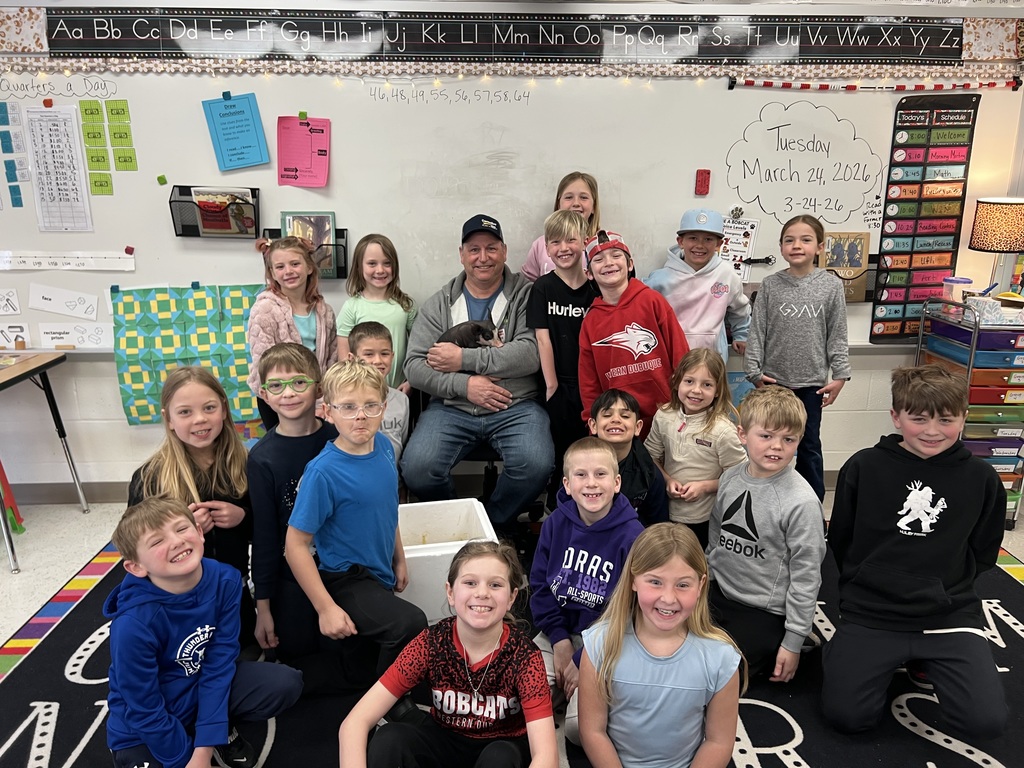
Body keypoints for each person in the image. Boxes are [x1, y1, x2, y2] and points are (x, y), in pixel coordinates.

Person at [822, 364, 1007, 740]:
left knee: (985, 723)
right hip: (872, 612)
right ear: (896, 416)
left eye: (946, 419)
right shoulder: (863, 466)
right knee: (847, 717)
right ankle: (849, 652)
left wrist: (943, 585)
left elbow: (984, 550)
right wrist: (867, 582)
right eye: (918, 419)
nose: (932, 431)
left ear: (964, 417)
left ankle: (923, 658)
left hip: (948, 614)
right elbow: (841, 539)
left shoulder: (983, 478)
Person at [105, 498, 302, 768]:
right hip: (144, 723)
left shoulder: (226, 580)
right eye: (157, 541)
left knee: (284, 683)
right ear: (136, 567)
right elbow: (143, 706)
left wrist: (205, 744)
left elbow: (219, 664)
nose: (176, 541)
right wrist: (185, 758)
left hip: (199, 689)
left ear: (199, 532)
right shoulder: (132, 624)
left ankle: (214, 728)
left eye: (181, 529)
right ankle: (193, 733)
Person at [339, 540, 559, 768]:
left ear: (511, 598)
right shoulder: (430, 643)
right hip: (444, 739)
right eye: (470, 583)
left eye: (495, 585)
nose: (482, 593)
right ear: (451, 592)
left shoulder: (525, 657)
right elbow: (355, 723)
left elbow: (546, 755)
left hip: (502, 746)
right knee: (390, 739)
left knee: (500, 757)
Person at [284, 359, 427, 701]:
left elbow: (387, 508)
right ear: (328, 412)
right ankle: (385, 707)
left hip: (379, 571)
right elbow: (295, 546)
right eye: (348, 407)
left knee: (362, 667)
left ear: (384, 408)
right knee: (409, 623)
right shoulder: (322, 473)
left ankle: (366, 684)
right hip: (345, 578)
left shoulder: (384, 447)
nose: (360, 416)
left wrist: (399, 557)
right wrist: (325, 608)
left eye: (370, 406)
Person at [402, 214, 553, 535]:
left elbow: (529, 354)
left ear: (505, 251)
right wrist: (465, 385)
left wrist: (462, 359)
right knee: (417, 470)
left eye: (491, 248)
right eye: (474, 249)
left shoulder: (528, 295)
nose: (483, 257)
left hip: (516, 405)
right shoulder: (440, 304)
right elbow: (414, 366)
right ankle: (459, 525)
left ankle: (490, 527)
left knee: (536, 465)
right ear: (461, 254)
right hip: (452, 407)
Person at [247, 343, 377, 694]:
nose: (288, 393)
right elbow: (265, 538)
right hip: (291, 576)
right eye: (276, 385)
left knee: (353, 651)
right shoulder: (262, 459)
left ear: (319, 388)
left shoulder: (341, 437)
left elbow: (370, 505)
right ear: (264, 394)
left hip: (344, 571)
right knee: (296, 656)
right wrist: (263, 607)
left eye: (299, 382)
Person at [577, 523, 744, 768]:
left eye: (683, 585)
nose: (668, 598)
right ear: (633, 580)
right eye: (655, 582)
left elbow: (718, 742)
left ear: (701, 585)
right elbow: (593, 732)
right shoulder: (599, 644)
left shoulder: (721, 658)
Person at [129, 366, 256, 646]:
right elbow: (134, 547)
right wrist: (180, 530)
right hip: (176, 602)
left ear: (224, 409)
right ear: (169, 419)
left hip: (233, 592)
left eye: (209, 408)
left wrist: (243, 517)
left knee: (246, 651)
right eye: (185, 412)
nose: (200, 419)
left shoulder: (248, 465)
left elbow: (268, 532)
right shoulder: (149, 479)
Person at [706, 385, 825, 681]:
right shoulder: (730, 478)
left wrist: (793, 641)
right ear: (743, 434)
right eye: (766, 436)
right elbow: (716, 535)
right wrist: (706, 578)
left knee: (721, 674)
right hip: (719, 593)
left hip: (764, 610)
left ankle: (796, 641)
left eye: (788, 439)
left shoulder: (801, 503)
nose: (777, 447)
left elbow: (807, 576)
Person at [529, 437, 643, 745]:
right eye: (581, 475)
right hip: (556, 632)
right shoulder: (555, 524)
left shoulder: (634, 537)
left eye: (600, 474)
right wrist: (560, 641)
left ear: (616, 482)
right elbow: (540, 587)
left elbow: (630, 613)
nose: (591, 483)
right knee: (518, 704)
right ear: (567, 485)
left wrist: (583, 660)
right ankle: (560, 692)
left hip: (608, 641)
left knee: (579, 731)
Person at [744, 214, 851, 501]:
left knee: (808, 446)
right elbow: (758, 330)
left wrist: (841, 375)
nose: (797, 245)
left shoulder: (831, 286)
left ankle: (810, 505)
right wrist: (753, 371)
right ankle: (767, 499)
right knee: (768, 443)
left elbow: (837, 334)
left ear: (820, 247)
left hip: (812, 384)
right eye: (789, 240)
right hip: (773, 383)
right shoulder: (770, 285)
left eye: (805, 240)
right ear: (781, 247)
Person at [578, 229, 689, 440]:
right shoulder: (590, 321)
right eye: (599, 259)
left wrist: (686, 405)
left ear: (630, 264)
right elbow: (588, 381)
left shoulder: (652, 301)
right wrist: (592, 421)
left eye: (616, 256)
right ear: (589, 273)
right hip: (619, 424)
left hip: (667, 415)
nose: (608, 263)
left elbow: (681, 355)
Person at [526, 209, 598, 506]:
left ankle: (589, 506)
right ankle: (556, 509)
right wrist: (552, 386)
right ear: (546, 247)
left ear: (584, 242)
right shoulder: (542, 288)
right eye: (555, 242)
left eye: (570, 240)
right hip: (558, 384)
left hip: (591, 385)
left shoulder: (596, 287)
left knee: (589, 450)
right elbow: (543, 339)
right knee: (560, 451)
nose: (563, 248)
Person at [645, 349, 746, 549]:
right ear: (677, 382)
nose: (696, 390)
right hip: (666, 512)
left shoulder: (723, 430)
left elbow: (740, 476)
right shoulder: (664, 416)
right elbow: (650, 456)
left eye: (707, 384)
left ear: (718, 390)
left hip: (705, 517)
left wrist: (705, 487)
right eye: (689, 381)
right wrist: (667, 479)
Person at [247, 236, 338, 430]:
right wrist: (289, 395)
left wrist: (323, 399)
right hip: (279, 398)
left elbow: (332, 360)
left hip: (316, 396)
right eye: (280, 267)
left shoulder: (325, 312)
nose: (288, 271)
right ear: (272, 273)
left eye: (295, 264)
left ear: (309, 267)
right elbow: (263, 363)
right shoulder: (264, 310)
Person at [645, 207, 750, 360]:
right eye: (693, 238)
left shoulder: (727, 274)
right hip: (672, 357)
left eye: (708, 239)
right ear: (681, 242)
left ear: (719, 244)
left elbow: (740, 309)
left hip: (713, 359)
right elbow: (644, 314)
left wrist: (741, 335)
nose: (700, 245)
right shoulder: (659, 279)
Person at [336, 234, 417, 391]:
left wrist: (410, 381)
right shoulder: (351, 308)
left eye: (387, 263)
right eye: (372, 263)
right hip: (362, 391)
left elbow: (418, 348)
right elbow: (344, 359)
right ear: (359, 267)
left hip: (399, 389)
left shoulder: (406, 306)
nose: (380, 270)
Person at [588, 389, 669, 527]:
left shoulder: (650, 474)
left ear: (638, 427)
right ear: (593, 425)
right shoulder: (577, 465)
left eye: (625, 416)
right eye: (607, 415)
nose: (615, 420)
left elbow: (658, 527)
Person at [520, 171, 601, 282]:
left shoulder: (605, 244)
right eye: (569, 197)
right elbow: (527, 282)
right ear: (559, 204)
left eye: (583, 197)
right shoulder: (540, 245)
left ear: (594, 206)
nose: (576, 203)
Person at [348, 321, 410, 461]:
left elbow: (403, 442)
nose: (378, 360)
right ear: (352, 359)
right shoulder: (344, 402)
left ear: (392, 356)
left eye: (384, 353)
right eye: (369, 354)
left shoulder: (402, 400)